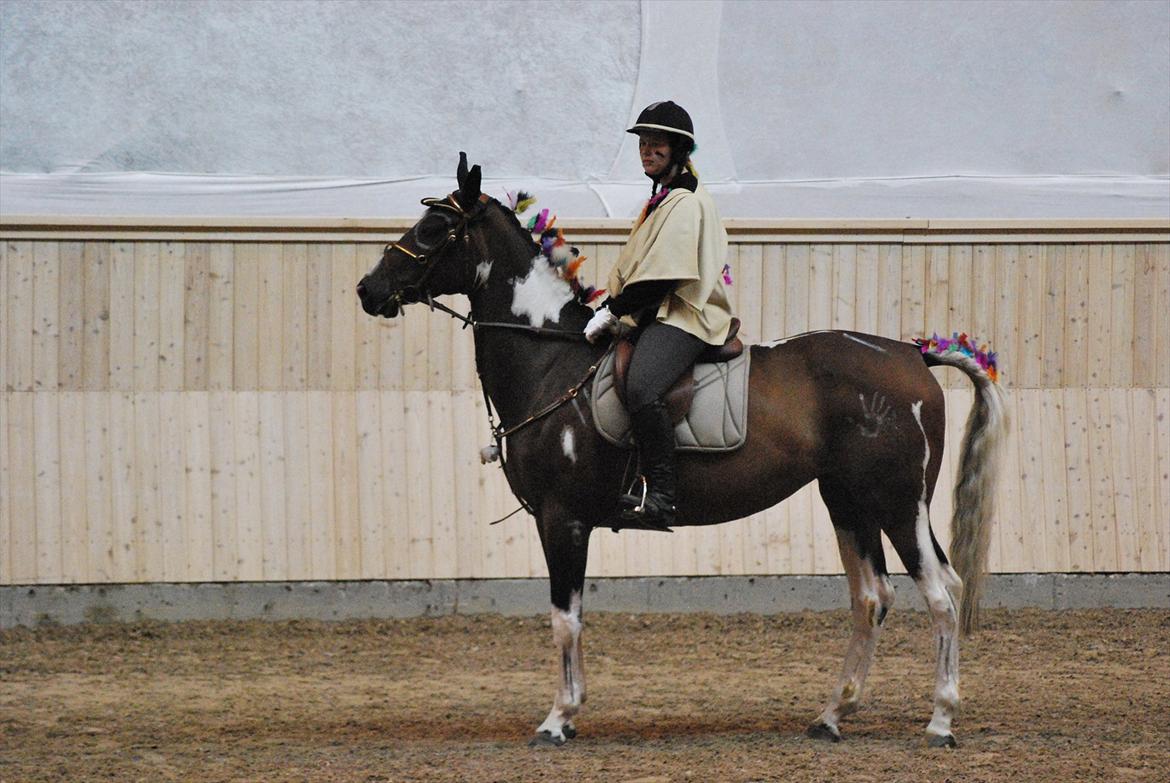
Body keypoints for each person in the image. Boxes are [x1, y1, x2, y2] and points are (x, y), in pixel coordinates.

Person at [584, 100, 734, 527]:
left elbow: (661, 278)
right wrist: (609, 307)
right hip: (658, 312)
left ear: (678, 150)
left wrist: (613, 310)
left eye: (656, 145)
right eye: (642, 145)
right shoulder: (663, 199)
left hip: (686, 315)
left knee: (643, 386)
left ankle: (662, 495)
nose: (647, 152)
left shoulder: (684, 202)